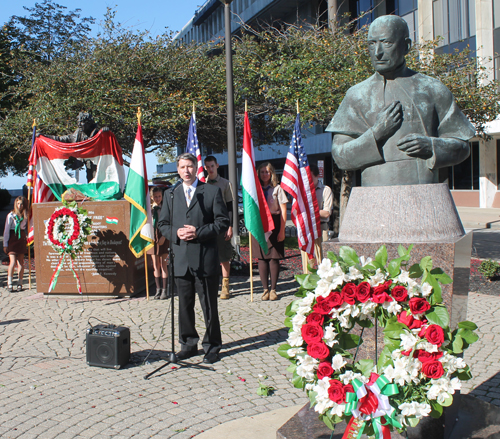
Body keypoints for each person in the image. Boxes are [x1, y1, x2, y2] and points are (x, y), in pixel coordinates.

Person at [326, 15, 475, 187]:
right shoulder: (356, 95)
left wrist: (431, 145)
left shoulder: (432, 89)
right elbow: (340, 156)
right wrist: (377, 133)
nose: (377, 53)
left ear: (406, 46)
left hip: (425, 194)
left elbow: (462, 147)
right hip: (374, 199)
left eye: (386, 43)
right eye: (372, 43)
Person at [158, 153, 229, 364]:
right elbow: (162, 225)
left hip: (205, 258)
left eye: (190, 166)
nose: (186, 171)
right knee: (184, 306)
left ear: (196, 168)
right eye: (182, 167)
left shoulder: (211, 192)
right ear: (178, 170)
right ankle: (188, 344)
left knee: (208, 305)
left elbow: (222, 222)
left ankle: (212, 346)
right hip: (181, 260)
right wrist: (176, 234)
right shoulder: (170, 194)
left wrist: (199, 232)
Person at [38, 112, 109, 182]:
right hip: (87, 161)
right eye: (78, 122)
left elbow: (107, 143)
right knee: (90, 179)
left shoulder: (98, 133)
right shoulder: (78, 133)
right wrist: (44, 136)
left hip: (98, 161)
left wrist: (106, 132)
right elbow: (61, 139)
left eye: (82, 122)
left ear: (88, 123)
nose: (79, 124)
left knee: (97, 179)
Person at [251, 162, 287, 301]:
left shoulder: (278, 189)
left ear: (271, 173)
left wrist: (282, 230)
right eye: (262, 172)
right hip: (259, 225)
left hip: (275, 224)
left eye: (267, 172)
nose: (265, 174)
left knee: (274, 257)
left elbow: (283, 210)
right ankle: (265, 289)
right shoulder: (255, 190)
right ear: (258, 174)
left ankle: (273, 289)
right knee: (262, 257)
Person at [204, 156, 234, 300]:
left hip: (221, 224)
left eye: (212, 166)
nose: (210, 169)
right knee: (209, 257)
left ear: (217, 165)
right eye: (207, 167)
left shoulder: (225, 183)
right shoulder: (201, 183)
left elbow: (230, 207)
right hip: (207, 225)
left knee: (224, 256)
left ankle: (225, 286)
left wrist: (230, 226)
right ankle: (211, 285)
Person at [301, 164, 333, 273]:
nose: (308, 181)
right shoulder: (302, 193)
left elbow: (326, 213)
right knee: (307, 262)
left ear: (317, 176)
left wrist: (308, 211)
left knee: (323, 261)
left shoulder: (325, 190)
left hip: (321, 228)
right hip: (306, 230)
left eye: (310, 177)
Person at [3, 196, 28, 292]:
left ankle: (20, 283)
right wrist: (5, 244)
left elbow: (28, 226)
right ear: (15, 204)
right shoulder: (11, 215)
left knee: (21, 262)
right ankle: (10, 283)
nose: (20, 206)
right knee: (12, 261)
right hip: (13, 237)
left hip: (21, 237)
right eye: (18, 203)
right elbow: (6, 231)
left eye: (21, 204)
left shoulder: (25, 215)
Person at [150, 187, 169, 300]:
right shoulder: (149, 209)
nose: (157, 199)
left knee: (163, 264)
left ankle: (165, 290)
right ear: (152, 197)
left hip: (163, 237)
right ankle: (157, 289)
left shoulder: (165, 208)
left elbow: (169, 223)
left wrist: (164, 237)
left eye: (159, 196)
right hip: (152, 238)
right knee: (155, 265)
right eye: (155, 196)